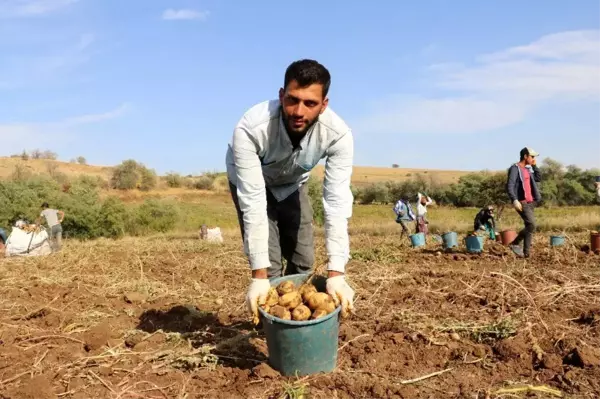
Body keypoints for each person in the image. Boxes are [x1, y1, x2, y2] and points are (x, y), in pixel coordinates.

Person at [226, 59, 355, 323]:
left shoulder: (338, 135)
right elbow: (253, 201)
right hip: (252, 183)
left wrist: (337, 273)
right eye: (292, 100)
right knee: (271, 268)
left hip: (293, 183)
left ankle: (304, 324)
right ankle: (273, 327)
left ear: (324, 104)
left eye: (310, 103)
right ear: (281, 95)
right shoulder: (252, 128)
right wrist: (258, 276)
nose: (298, 111)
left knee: (304, 260)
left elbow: (337, 202)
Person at [506, 147, 542, 258]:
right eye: (532, 156)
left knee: (529, 227)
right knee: (532, 225)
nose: (533, 158)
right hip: (522, 202)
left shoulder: (527, 169)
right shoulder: (515, 168)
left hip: (531, 202)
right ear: (525, 156)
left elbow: (538, 177)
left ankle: (526, 254)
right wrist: (514, 199)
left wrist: (534, 165)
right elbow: (510, 185)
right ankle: (515, 243)